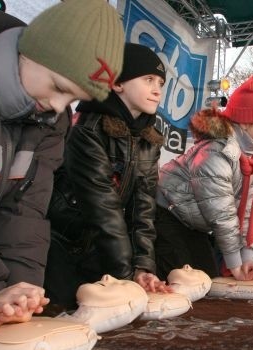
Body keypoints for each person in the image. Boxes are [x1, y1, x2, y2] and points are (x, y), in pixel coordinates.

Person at [0, 1, 124, 327]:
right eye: (58, 87)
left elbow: (24, 212)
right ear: (30, 52)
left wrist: (17, 295)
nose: (58, 106)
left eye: (72, 100)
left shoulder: (51, 121)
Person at [44, 43, 171, 308]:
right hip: (62, 245)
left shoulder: (149, 139)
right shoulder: (88, 130)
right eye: (148, 79)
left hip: (101, 249)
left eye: (160, 82)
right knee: (61, 323)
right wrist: (126, 277)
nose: (157, 89)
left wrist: (143, 267)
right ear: (117, 84)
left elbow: (143, 210)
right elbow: (103, 208)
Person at [155, 75, 253, 281]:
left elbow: (249, 211)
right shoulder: (216, 152)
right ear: (245, 123)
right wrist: (234, 264)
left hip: (193, 222)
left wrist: (247, 258)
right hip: (167, 215)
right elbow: (221, 213)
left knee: (208, 279)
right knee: (186, 282)